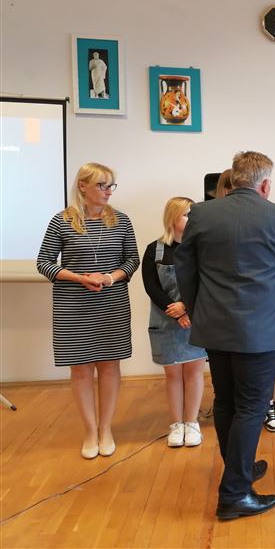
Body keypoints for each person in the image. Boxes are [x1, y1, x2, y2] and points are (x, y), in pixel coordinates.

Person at [175, 151, 275, 520]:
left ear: (234, 179)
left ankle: (240, 468)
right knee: (251, 407)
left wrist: (197, 308)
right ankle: (234, 494)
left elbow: (185, 269)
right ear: (265, 184)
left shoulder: (202, 213)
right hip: (258, 330)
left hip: (214, 326)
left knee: (226, 401)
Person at [36, 163, 139, 459]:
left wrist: (109, 278)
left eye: (111, 186)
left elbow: (132, 260)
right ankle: (90, 431)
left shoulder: (121, 220)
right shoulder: (61, 221)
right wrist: (79, 278)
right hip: (72, 305)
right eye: (102, 185)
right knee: (81, 368)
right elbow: (44, 262)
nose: (108, 191)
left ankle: (106, 429)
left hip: (111, 303)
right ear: (83, 186)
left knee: (109, 366)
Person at [142, 197, 207, 447]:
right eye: (186, 214)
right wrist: (177, 312)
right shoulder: (154, 250)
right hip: (166, 321)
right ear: (172, 218)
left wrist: (187, 308)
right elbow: (151, 287)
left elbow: (207, 282)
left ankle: (191, 422)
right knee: (172, 375)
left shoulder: (202, 248)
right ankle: (176, 424)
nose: (191, 219)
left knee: (194, 373)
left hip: (195, 319)